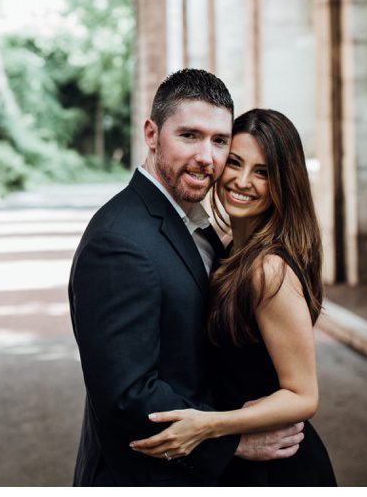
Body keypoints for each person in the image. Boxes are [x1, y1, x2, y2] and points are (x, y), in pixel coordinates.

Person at [68, 70, 304, 487]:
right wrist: (232, 441)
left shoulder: (201, 226)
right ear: (152, 134)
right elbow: (127, 396)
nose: (206, 157)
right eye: (189, 136)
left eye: (219, 141)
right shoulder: (119, 241)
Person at [127, 108, 337, 485]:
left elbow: (303, 395)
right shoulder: (228, 249)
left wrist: (210, 426)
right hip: (242, 463)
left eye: (262, 172)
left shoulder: (267, 269)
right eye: (235, 163)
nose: (242, 181)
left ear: (284, 183)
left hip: (278, 468)